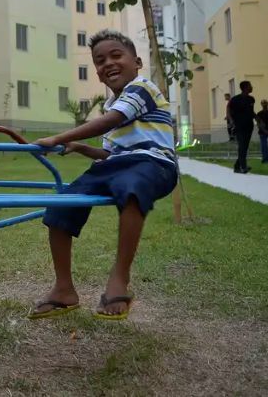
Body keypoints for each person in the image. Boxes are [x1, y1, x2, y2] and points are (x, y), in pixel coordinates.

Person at [29, 30, 177, 321]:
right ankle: (63, 289)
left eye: (116, 55)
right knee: (62, 204)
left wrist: (58, 137)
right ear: (97, 73)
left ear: (137, 62)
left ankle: (119, 282)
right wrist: (83, 148)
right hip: (117, 165)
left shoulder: (141, 88)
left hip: (154, 164)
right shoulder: (112, 104)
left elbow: (111, 121)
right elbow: (112, 154)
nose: (108, 63)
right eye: (100, 60)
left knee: (132, 188)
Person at [227, 81, 256, 174]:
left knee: (244, 147)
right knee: (242, 146)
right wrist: (231, 121)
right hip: (239, 126)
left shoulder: (251, 99)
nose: (252, 87)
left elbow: (252, 112)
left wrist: (259, 120)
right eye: (250, 86)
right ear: (245, 88)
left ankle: (237, 166)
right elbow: (228, 110)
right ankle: (243, 167)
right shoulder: (235, 99)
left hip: (249, 126)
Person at [257, 99, 268, 164]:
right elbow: (258, 124)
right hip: (262, 132)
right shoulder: (259, 113)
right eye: (263, 103)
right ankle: (265, 158)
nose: (264, 104)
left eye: (265, 103)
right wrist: (264, 130)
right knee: (264, 146)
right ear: (261, 104)